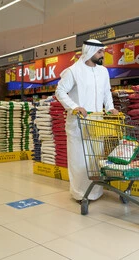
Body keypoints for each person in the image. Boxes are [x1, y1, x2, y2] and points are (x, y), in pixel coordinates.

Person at [55, 39, 118, 202]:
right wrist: (74, 107)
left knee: (95, 159)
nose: (102, 55)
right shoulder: (73, 71)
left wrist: (110, 108)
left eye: (103, 51)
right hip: (78, 124)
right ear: (90, 52)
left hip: (97, 123)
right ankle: (79, 193)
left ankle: (96, 191)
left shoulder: (103, 71)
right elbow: (60, 91)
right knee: (79, 159)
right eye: (100, 52)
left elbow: (107, 93)